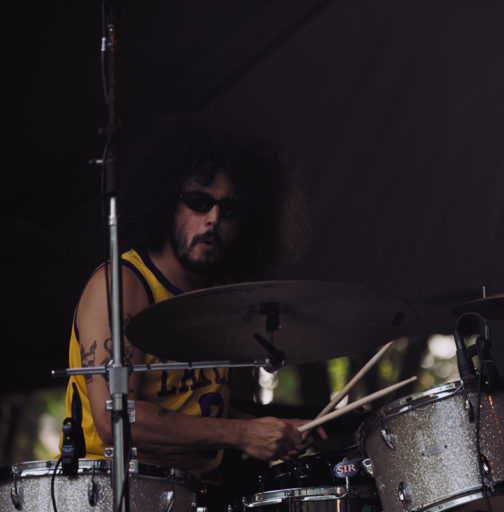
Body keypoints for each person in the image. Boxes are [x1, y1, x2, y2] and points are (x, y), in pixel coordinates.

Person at [61, 115, 316, 487]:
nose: (213, 219)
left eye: (230, 209)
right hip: (109, 491)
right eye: (199, 202)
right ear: (166, 202)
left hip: (196, 492)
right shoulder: (122, 284)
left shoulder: (221, 293)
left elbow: (193, 410)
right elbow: (115, 419)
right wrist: (242, 434)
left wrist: (270, 430)